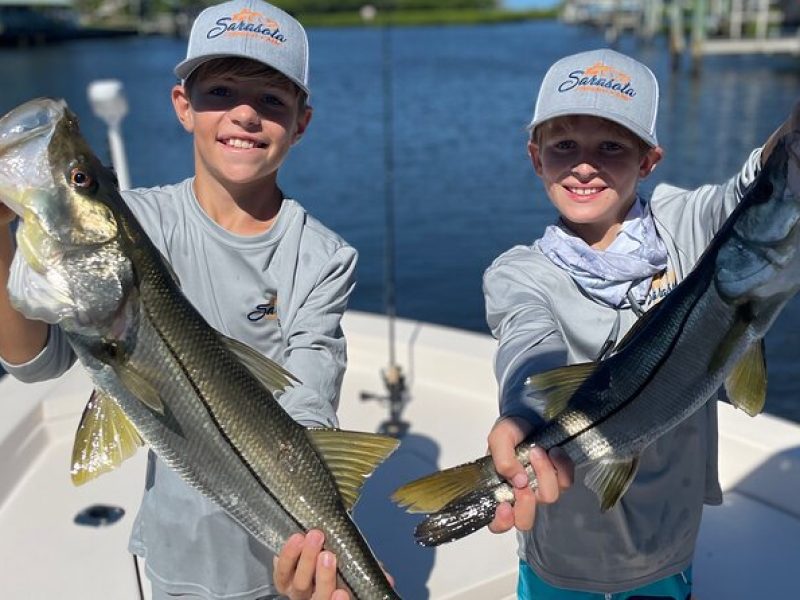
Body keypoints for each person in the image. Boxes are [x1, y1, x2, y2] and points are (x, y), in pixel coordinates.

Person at [0, 1, 360, 598]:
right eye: (220, 91)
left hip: (282, 565)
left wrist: (321, 549)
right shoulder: (138, 219)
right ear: (183, 107)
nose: (245, 113)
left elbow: (309, 396)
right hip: (172, 556)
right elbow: (32, 361)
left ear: (301, 122)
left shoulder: (323, 257)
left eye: (272, 100)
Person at [483, 48, 798, 599]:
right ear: (536, 158)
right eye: (564, 146)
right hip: (562, 548)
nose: (585, 164)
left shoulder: (687, 223)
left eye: (611, 146)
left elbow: (753, 189)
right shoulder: (518, 273)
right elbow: (527, 345)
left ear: (649, 159)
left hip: (666, 548)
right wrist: (520, 415)